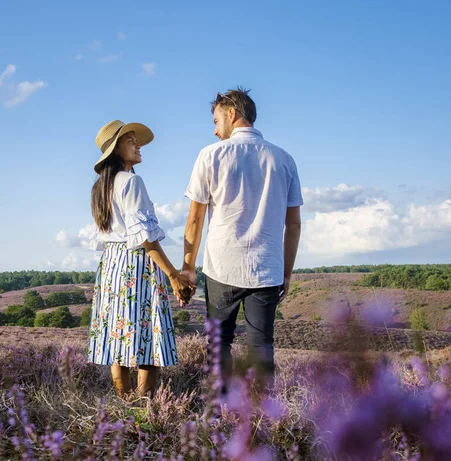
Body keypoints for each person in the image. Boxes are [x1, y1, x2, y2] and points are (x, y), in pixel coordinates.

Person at [182, 88, 303, 388]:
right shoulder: (284, 159)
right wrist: (286, 273)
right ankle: (262, 416)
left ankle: (219, 409)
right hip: (267, 268)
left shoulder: (210, 155)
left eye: (216, 120)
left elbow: (195, 219)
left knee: (219, 343)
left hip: (222, 266)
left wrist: (187, 268)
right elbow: (294, 225)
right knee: (261, 345)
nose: (214, 129)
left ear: (232, 114)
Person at [88, 119, 193, 398]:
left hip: (111, 264)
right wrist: (173, 275)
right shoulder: (132, 181)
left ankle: (125, 405)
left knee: (117, 337)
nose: (137, 144)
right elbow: (146, 238)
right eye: (130, 140)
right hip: (136, 264)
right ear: (115, 150)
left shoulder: (99, 188)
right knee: (148, 339)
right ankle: (145, 409)